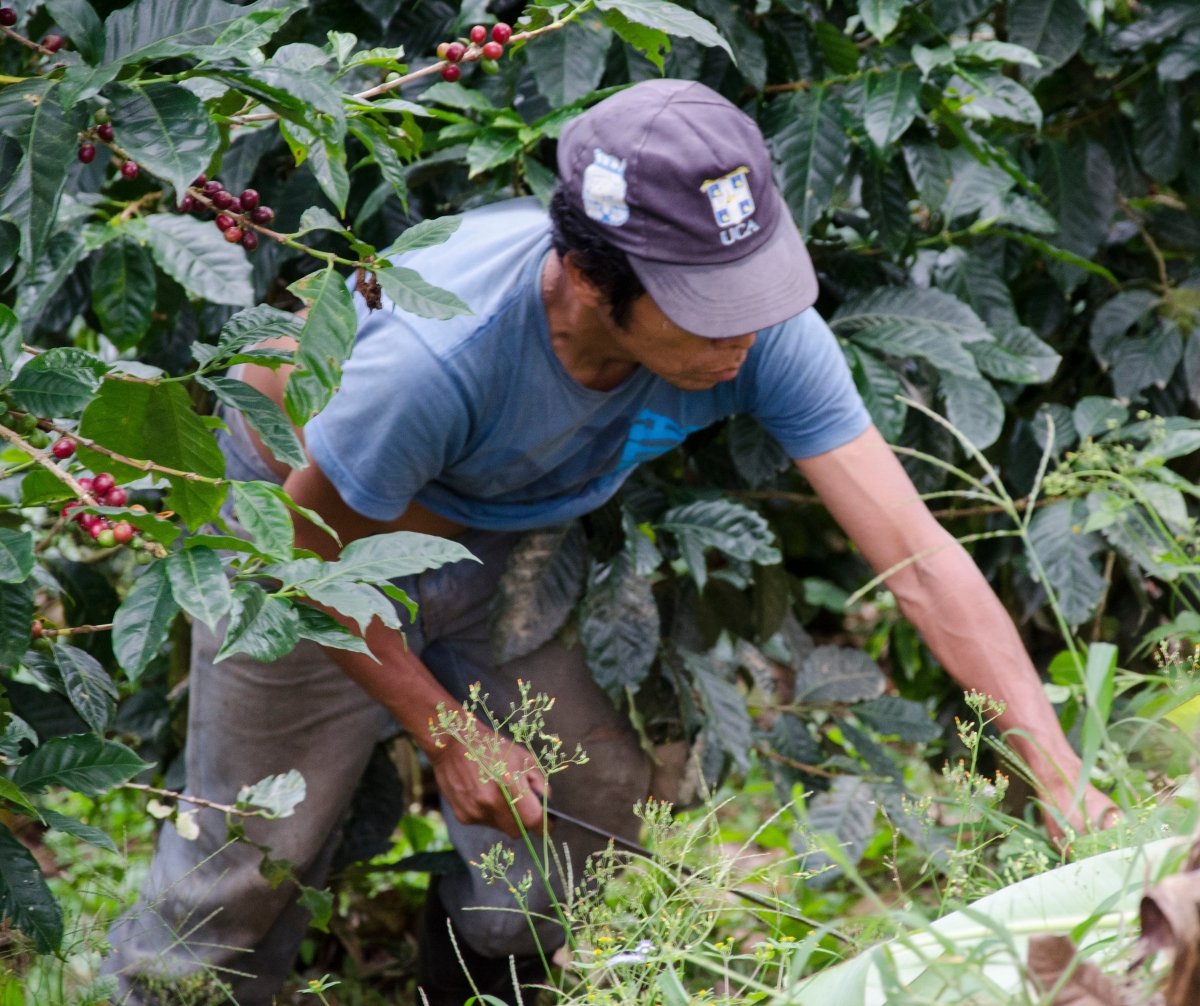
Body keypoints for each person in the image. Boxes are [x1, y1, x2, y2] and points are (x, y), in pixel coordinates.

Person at [105, 78, 1114, 1005]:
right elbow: (302, 558)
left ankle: (472, 983)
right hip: (298, 537)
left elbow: (919, 556)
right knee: (244, 864)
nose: (744, 341)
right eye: (710, 316)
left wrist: (1060, 773)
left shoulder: (755, 327)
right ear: (591, 281)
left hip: (493, 545)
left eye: (753, 292)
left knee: (584, 814)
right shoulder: (434, 357)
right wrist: (448, 731)